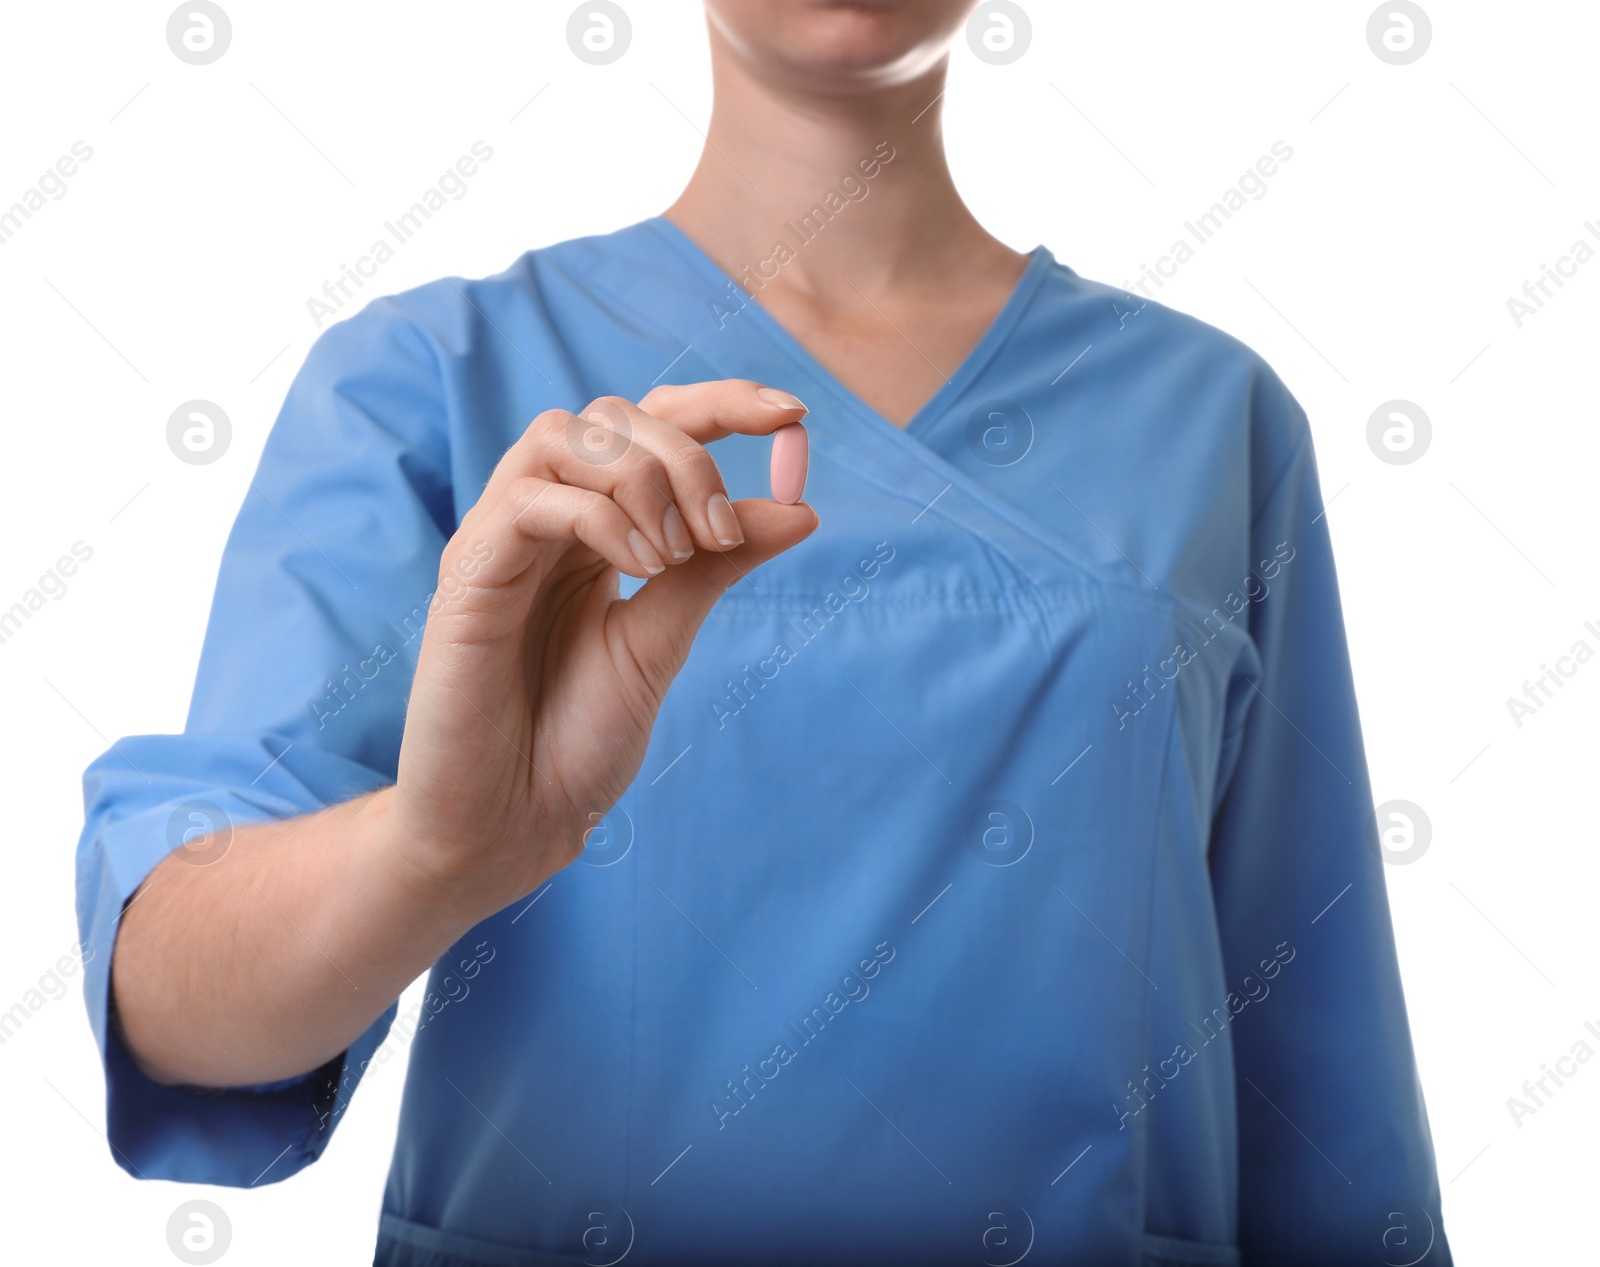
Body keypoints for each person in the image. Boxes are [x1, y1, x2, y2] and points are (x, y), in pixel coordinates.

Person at [75, 2, 1451, 1263]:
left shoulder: (1212, 419)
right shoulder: (433, 381)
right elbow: (181, 1007)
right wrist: (433, 849)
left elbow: (1319, 1073)